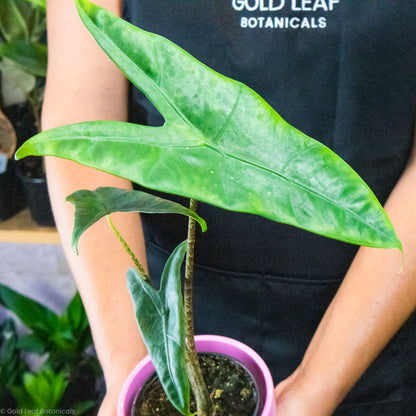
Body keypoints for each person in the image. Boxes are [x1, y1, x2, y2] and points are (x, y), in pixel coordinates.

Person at [42, 1, 416, 415]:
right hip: (175, 309)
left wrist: (315, 387)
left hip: (377, 314)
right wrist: (140, 370)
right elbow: (82, 120)